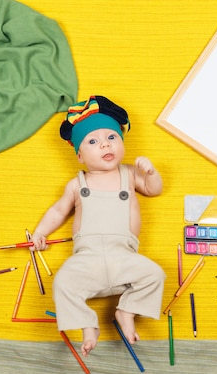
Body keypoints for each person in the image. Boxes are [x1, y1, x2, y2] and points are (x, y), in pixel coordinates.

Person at [31, 95, 166, 357]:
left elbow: (154, 190)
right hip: (87, 258)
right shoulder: (77, 184)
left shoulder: (129, 174)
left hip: (123, 256)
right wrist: (40, 232)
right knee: (62, 285)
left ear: (122, 142)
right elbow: (59, 211)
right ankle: (87, 325)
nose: (105, 143)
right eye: (93, 141)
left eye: (112, 137)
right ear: (80, 155)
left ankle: (126, 310)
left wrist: (151, 172)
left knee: (155, 275)